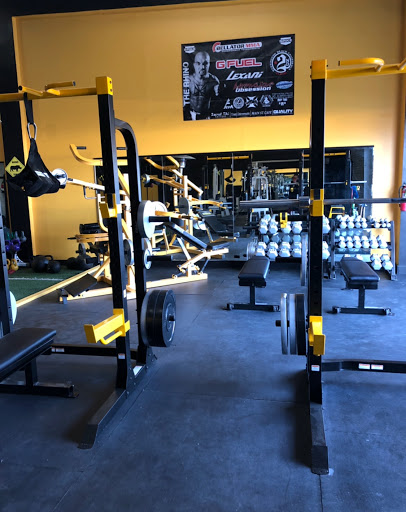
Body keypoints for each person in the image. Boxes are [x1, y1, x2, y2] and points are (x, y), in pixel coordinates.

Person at [188, 51, 220, 120]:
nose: (202, 67)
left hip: (206, 115)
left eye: (205, 64)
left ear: (209, 64)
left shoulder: (214, 81)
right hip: (191, 114)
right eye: (198, 63)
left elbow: (219, 102)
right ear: (194, 65)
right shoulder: (189, 80)